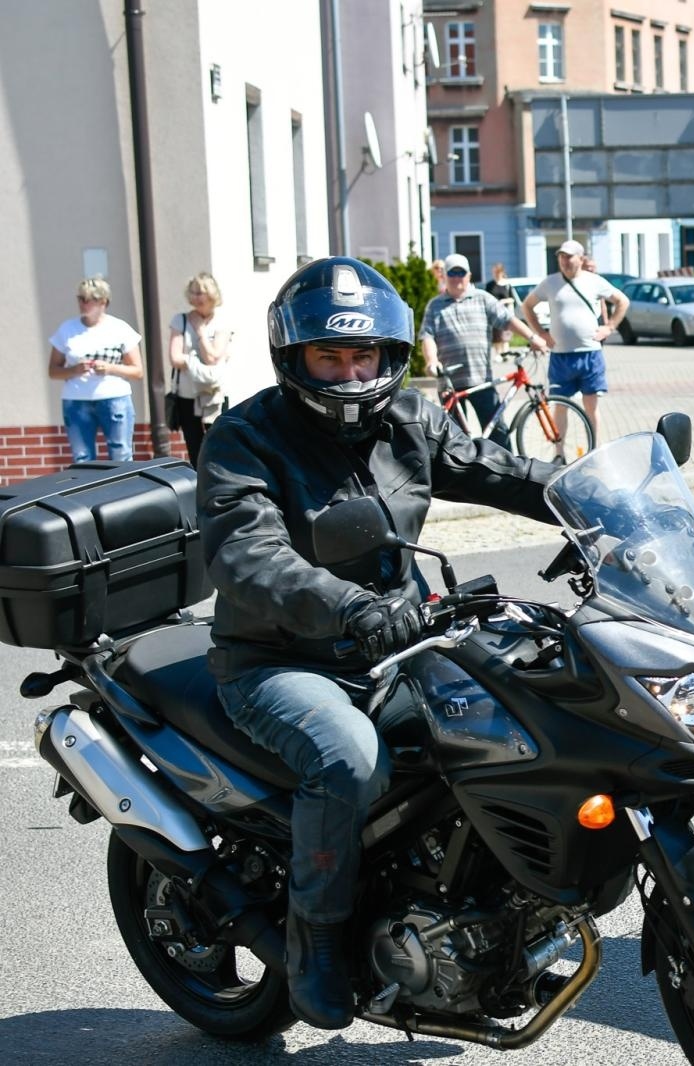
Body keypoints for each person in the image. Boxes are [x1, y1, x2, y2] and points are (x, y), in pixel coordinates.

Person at [198, 257, 565, 1029]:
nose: (350, 370)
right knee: (347, 758)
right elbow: (247, 555)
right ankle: (316, 944)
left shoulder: (410, 420)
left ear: (389, 356)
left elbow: (500, 470)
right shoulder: (243, 438)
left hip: (400, 645)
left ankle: (478, 903)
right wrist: (349, 608)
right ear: (294, 358)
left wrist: (599, 497)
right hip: (280, 659)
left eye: (363, 355)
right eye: (329, 356)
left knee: (520, 715)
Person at [420, 253, 545, 447]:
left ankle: (507, 474)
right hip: (449, 383)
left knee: (498, 435)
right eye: (452, 272)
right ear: (444, 276)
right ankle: (462, 477)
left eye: (461, 272)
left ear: (469, 275)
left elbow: (508, 320)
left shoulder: (483, 299)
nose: (456, 277)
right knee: (454, 442)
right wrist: (431, 361)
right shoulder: (434, 306)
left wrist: (533, 337)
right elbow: (427, 336)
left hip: (481, 380)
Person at [523, 239, 630, 448]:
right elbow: (528, 306)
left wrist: (609, 327)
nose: (564, 261)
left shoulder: (594, 281)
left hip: (589, 353)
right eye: (561, 257)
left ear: (580, 259)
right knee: (560, 406)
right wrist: (541, 333)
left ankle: (594, 449)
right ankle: (559, 452)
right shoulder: (550, 282)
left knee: (591, 405)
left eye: (569, 256)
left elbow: (622, 301)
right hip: (561, 355)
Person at [47, 276, 145, 462]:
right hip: (76, 401)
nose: (83, 304)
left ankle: (122, 492)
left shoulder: (119, 328)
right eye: (80, 298)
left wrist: (109, 368)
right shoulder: (67, 329)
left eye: (89, 299)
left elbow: (137, 371)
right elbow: (53, 370)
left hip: (114, 398)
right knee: (82, 458)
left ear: (103, 302)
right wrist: (74, 370)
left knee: (121, 454)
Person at [167, 271, 234, 461]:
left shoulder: (222, 322)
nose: (196, 298)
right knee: (194, 447)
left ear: (212, 294)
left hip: (215, 395)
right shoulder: (179, 320)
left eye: (200, 293)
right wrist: (198, 360)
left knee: (218, 444)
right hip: (187, 396)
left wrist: (200, 331)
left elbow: (212, 357)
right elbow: (175, 358)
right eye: (193, 293)